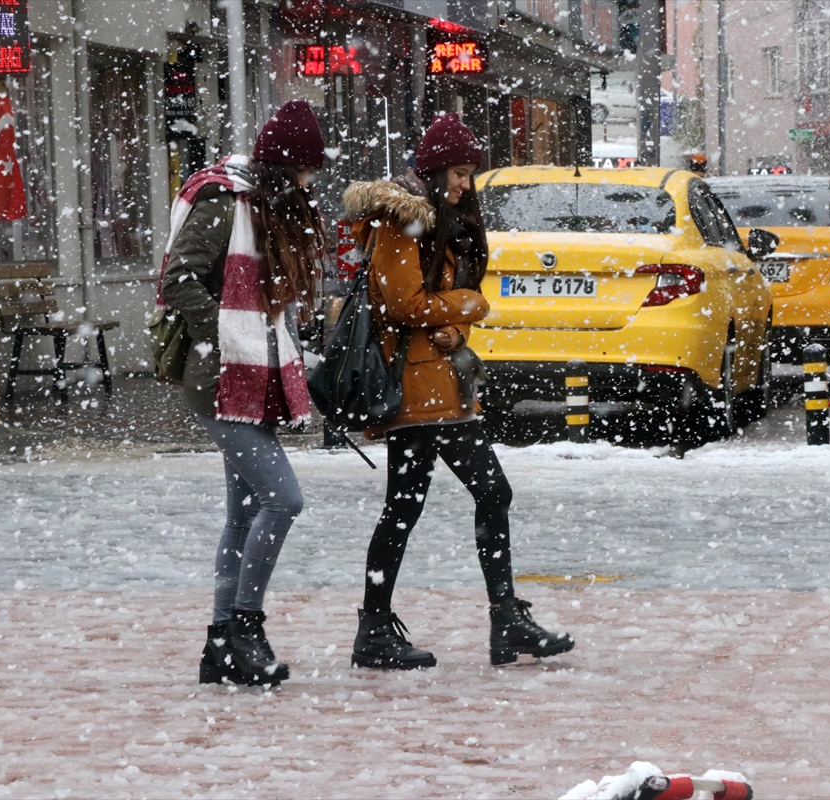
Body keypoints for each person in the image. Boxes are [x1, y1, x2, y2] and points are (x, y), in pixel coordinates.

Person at [341, 113, 575, 669]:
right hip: (420, 389)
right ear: (435, 169)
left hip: (438, 381)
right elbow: (403, 304)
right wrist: (468, 307)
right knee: (487, 493)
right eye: (460, 173)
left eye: (470, 174)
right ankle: (499, 619)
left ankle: (383, 626)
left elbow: (434, 301)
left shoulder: (440, 222)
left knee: (407, 505)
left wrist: (456, 327)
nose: (465, 185)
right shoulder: (402, 222)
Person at [160, 100, 329, 685]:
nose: (311, 181)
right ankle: (245, 627)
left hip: (254, 376)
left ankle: (219, 645)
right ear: (288, 166)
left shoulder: (266, 208)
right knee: (284, 500)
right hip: (220, 376)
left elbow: (271, 302)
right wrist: (227, 334)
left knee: (244, 514)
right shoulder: (225, 204)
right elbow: (177, 279)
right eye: (307, 169)